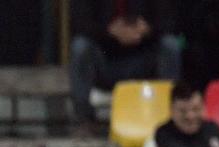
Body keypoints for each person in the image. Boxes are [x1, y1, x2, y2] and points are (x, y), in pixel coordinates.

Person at [69, 0, 183, 130]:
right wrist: (110, 32)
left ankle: (169, 115)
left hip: (143, 59)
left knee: (170, 44)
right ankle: (83, 119)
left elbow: (170, 22)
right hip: (105, 61)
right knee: (80, 47)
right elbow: (79, 24)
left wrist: (146, 29)